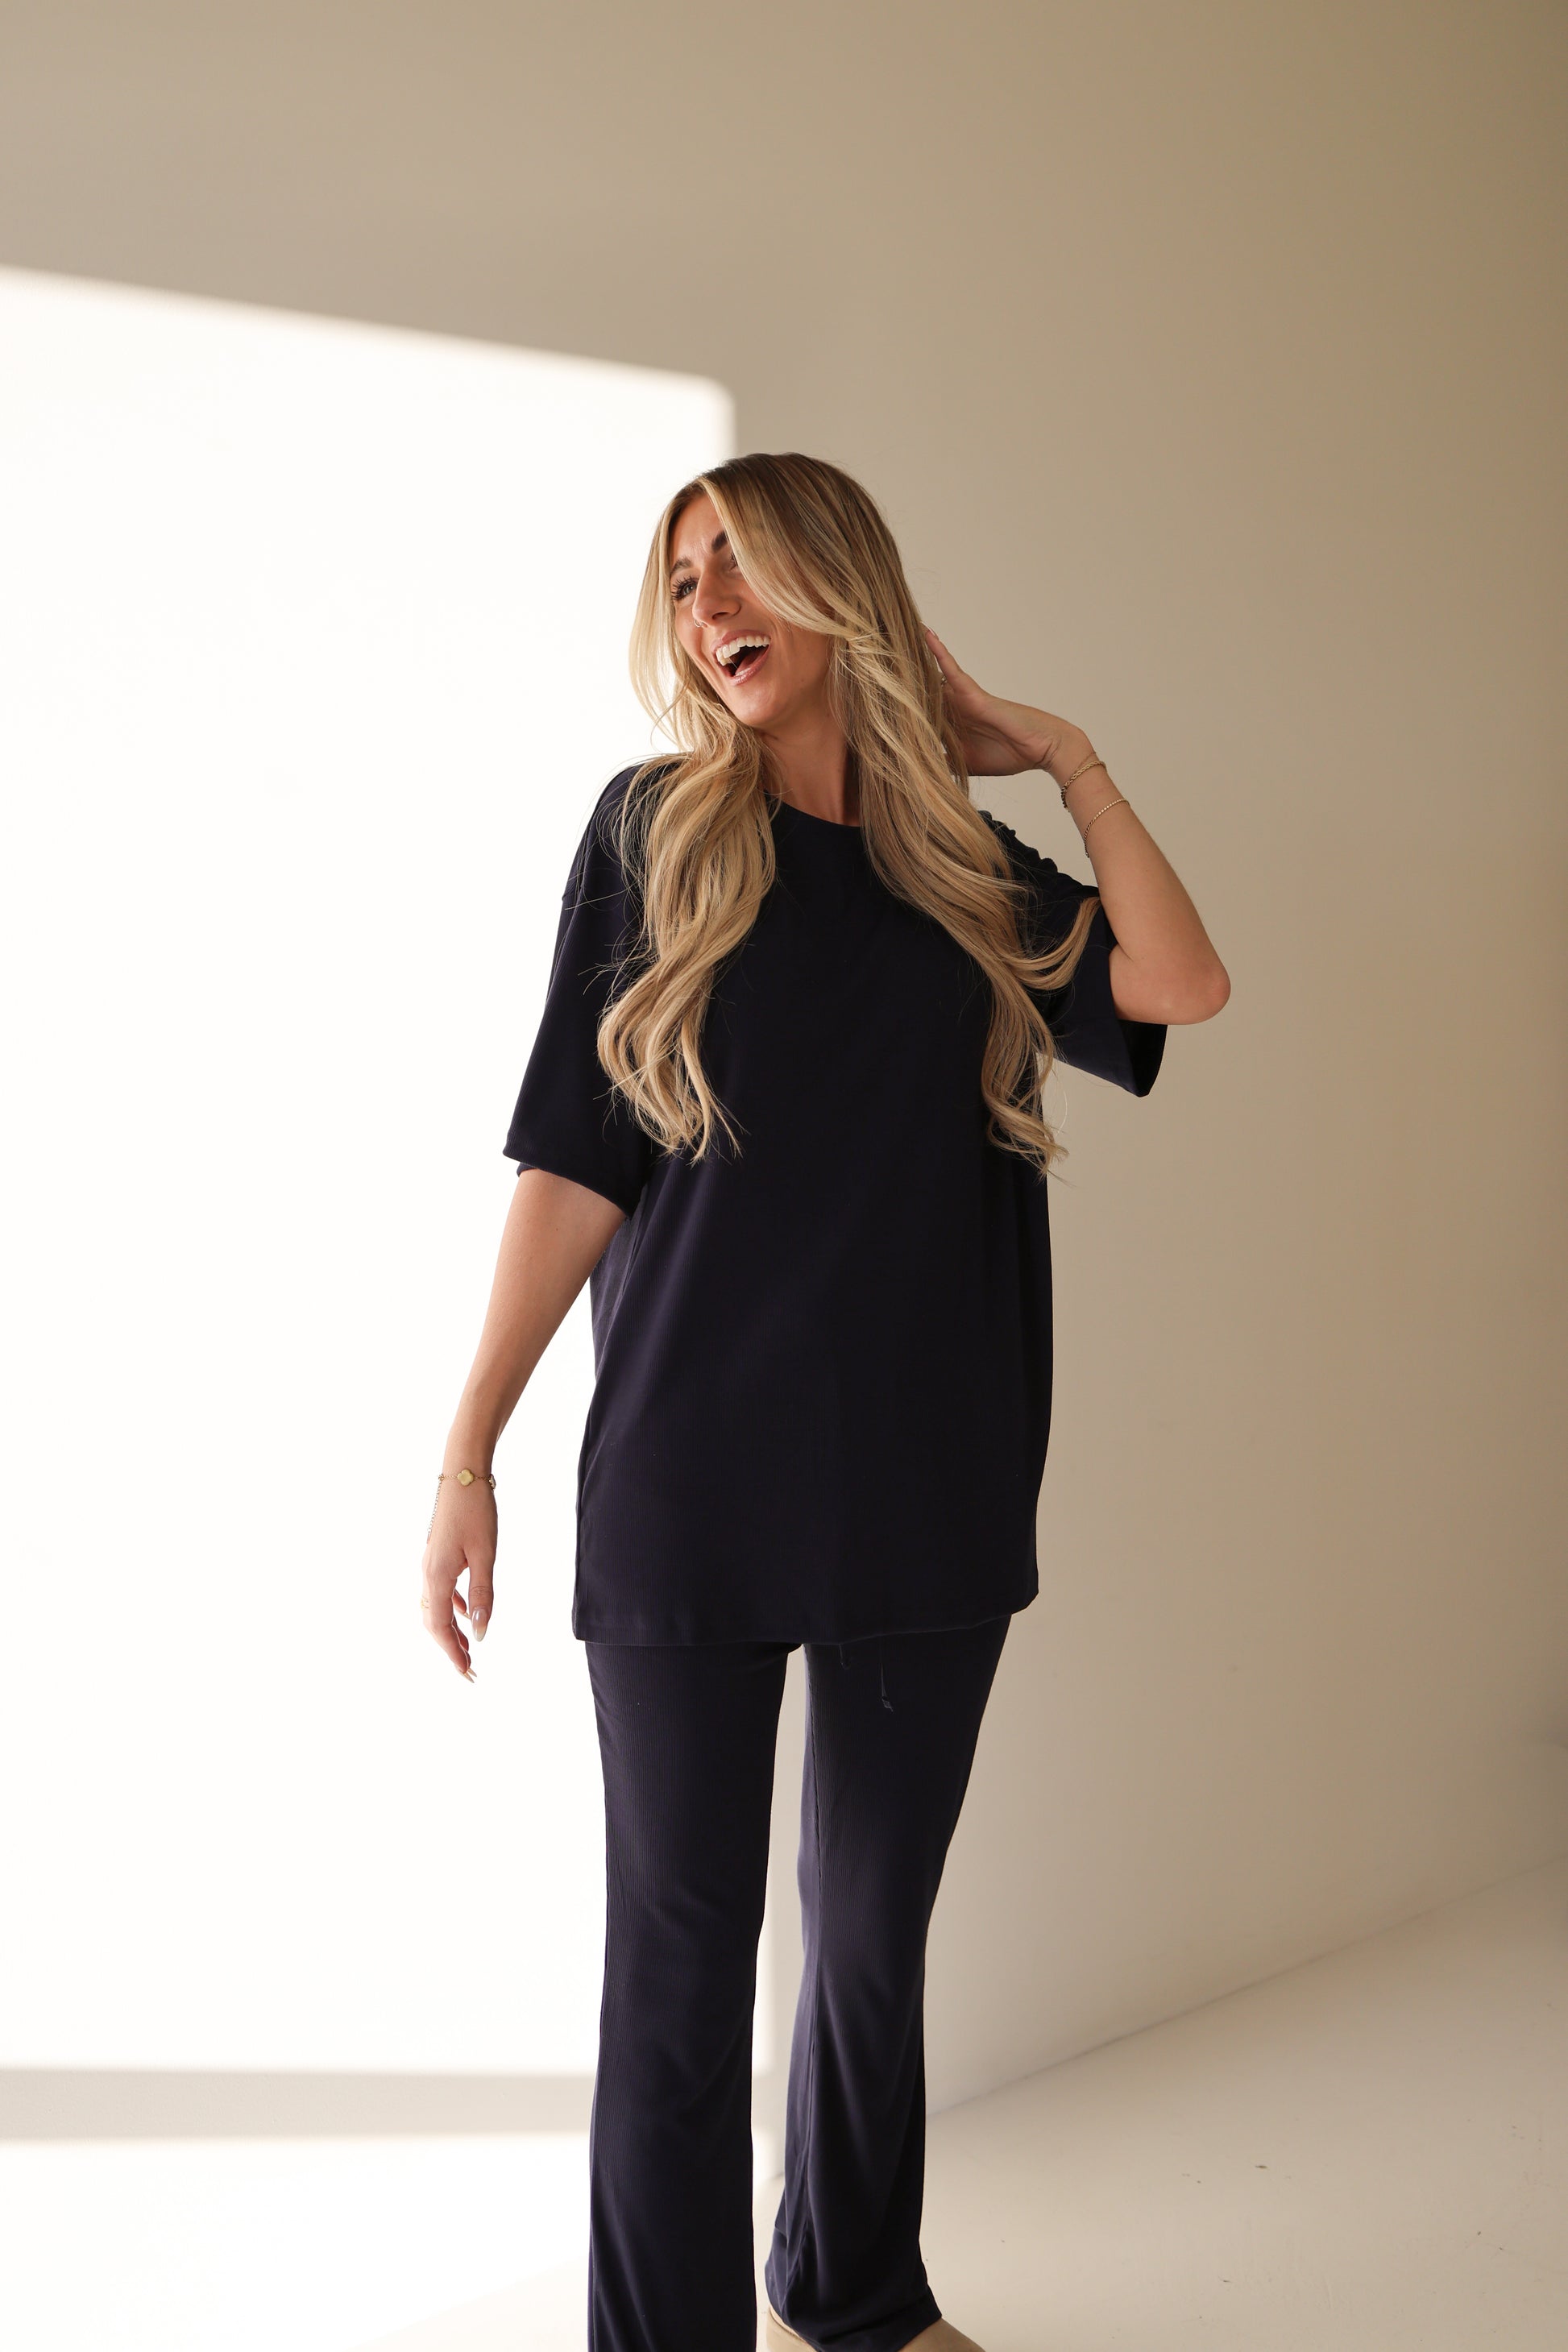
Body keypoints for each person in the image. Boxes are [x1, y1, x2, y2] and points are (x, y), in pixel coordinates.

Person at [420, 453, 1230, 2352]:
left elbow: (1180, 981)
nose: (708, 606)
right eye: (682, 578)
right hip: (692, 1482)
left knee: (867, 1947)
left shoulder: (959, 872)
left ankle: (854, 2288)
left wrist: (1062, 754)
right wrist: (469, 1446)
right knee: (684, 1966)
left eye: (742, 564)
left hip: (928, 1483)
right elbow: (568, 1159)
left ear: (840, 583)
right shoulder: (654, 836)